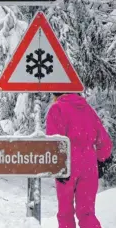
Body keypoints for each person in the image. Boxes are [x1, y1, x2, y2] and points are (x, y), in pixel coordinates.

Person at [46, 93, 113, 228]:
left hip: (67, 163)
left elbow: (54, 143)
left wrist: (57, 166)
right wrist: (101, 160)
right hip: (89, 163)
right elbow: (104, 141)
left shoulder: (57, 108)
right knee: (87, 213)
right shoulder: (87, 109)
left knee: (65, 213)